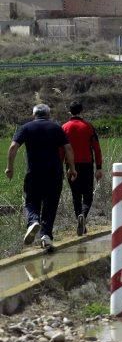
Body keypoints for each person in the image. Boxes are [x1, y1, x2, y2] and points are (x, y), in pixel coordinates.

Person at [5, 104, 77, 250]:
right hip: (54, 173)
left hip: (34, 172)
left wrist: (9, 168)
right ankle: (46, 236)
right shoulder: (56, 128)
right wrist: (72, 168)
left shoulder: (26, 128)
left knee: (31, 201)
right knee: (50, 205)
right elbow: (68, 148)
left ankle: (33, 221)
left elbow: (13, 147)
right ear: (48, 115)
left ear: (33, 115)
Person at [62, 101, 103, 236]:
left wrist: (61, 165)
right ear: (81, 111)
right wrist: (99, 167)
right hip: (86, 165)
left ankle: (80, 219)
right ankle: (83, 217)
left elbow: (61, 149)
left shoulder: (64, 128)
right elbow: (96, 148)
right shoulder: (88, 127)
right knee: (88, 195)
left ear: (70, 112)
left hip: (70, 166)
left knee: (76, 196)